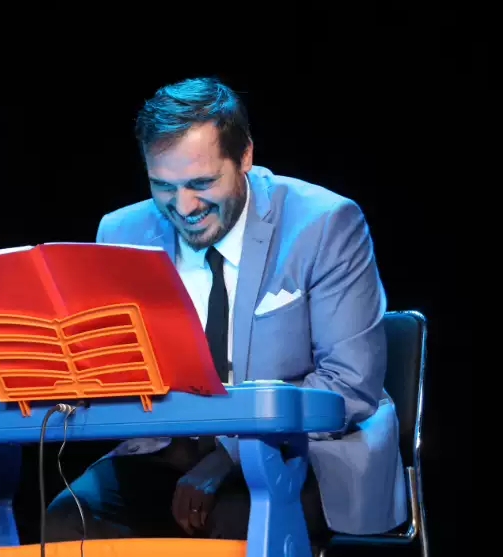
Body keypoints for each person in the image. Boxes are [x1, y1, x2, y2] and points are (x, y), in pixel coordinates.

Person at [45, 78, 407, 548]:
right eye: (163, 186)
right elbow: (111, 373)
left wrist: (228, 455)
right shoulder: (122, 232)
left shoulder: (324, 224)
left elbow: (349, 385)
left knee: (236, 525)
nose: (184, 207)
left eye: (202, 183)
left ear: (245, 157)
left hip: (301, 450)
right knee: (67, 523)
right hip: (168, 452)